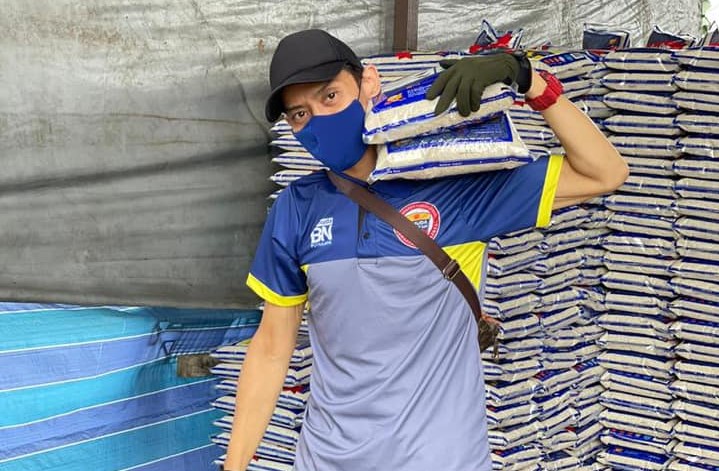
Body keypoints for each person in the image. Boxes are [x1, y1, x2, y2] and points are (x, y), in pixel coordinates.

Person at [223, 29, 628, 471]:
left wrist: (529, 79)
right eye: (300, 114)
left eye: (330, 96)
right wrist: (234, 465)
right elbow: (271, 347)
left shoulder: (457, 183)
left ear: (369, 82)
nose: (319, 120)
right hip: (327, 459)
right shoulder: (297, 208)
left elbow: (604, 173)